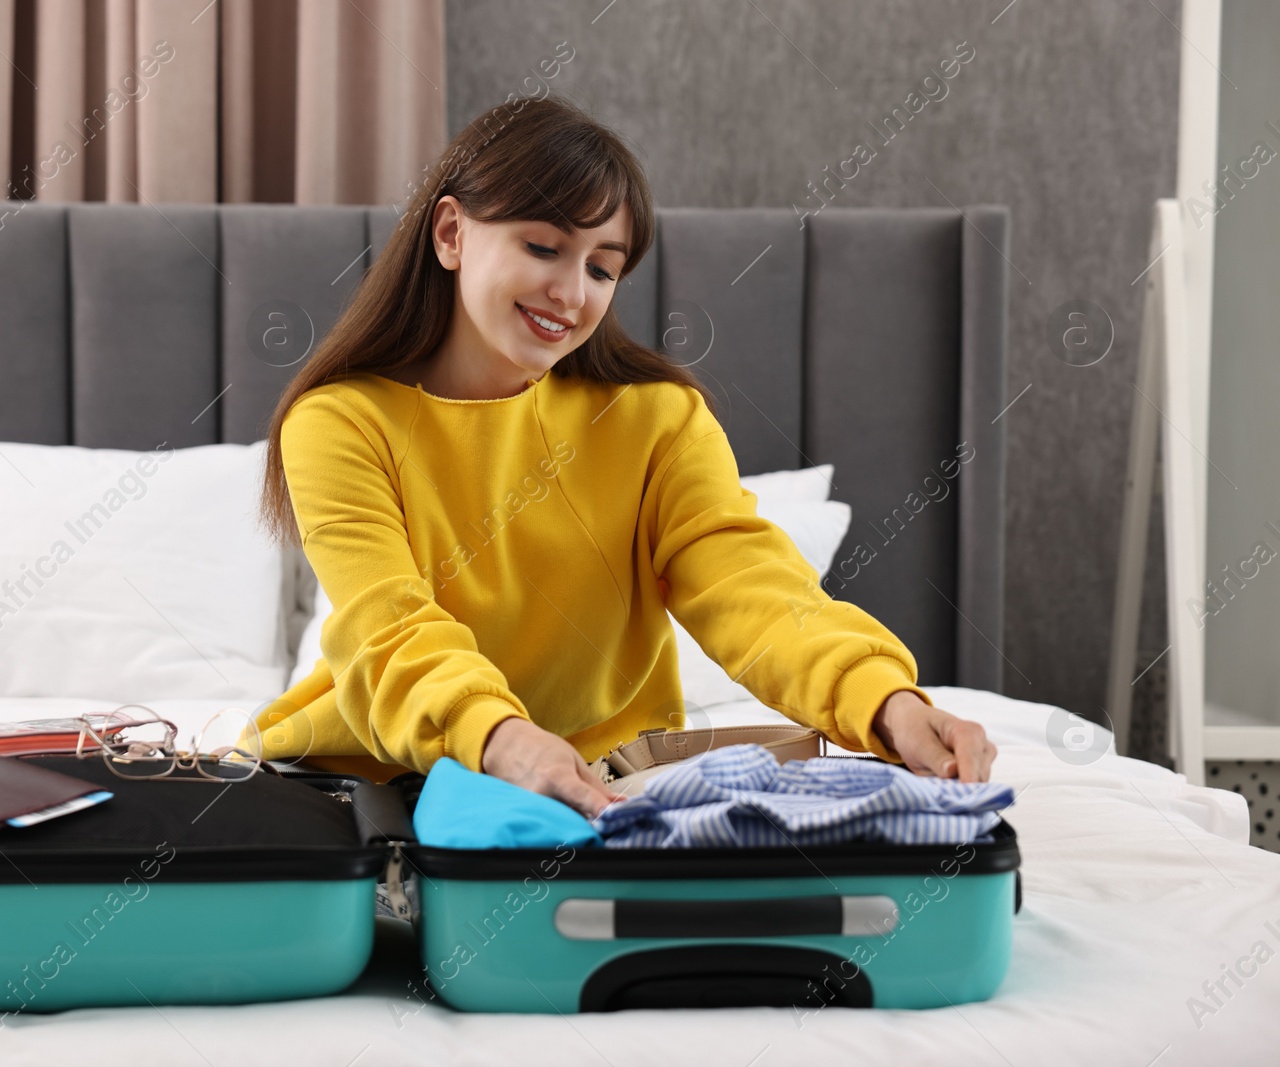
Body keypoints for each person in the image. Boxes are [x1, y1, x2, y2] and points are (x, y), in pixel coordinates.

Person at [252, 94, 996, 820]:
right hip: (370, 785)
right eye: (543, 247)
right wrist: (505, 739)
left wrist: (886, 701)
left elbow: (754, 593)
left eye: (602, 268)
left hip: (608, 793)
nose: (571, 292)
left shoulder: (655, 418)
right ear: (451, 233)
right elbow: (391, 632)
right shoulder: (339, 422)